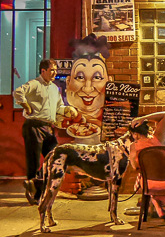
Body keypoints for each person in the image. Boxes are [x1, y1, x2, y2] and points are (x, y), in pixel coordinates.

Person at [14, 59, 76, 205]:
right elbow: (17, 93)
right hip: (34, 126)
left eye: (55, 70)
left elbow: (59, 107)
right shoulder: (35, 84)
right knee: (34, 160)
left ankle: (35, 184)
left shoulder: (55, 89)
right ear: (43, 71)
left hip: (48, 126)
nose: (54, 73)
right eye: (51, 70)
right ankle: (34, 193)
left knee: (54, 156)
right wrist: (26, 106)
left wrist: (68, 110)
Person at [129, 111, 165, 220]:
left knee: (148, 176)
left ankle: (159, 209)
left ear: (135, 134)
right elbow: (164, 115)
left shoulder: (133, 147)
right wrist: (144, 117)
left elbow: (134, 167)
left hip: (150, 184)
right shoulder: (158, 138)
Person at [65, 53, 109, 127]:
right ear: (68, 82)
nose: (87, 89)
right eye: (80, 77)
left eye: (97, 78)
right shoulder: (62, 118)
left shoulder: (113, 118)